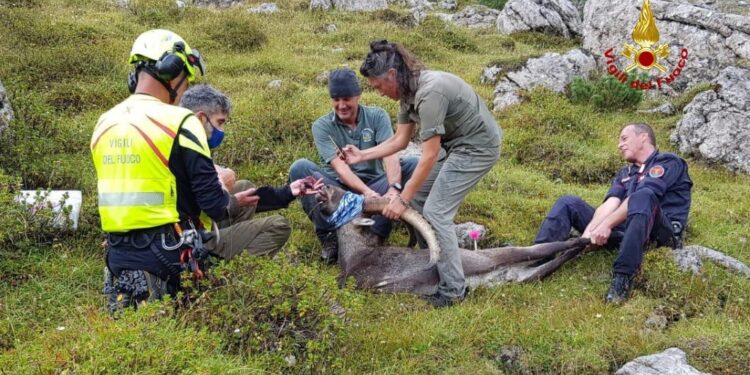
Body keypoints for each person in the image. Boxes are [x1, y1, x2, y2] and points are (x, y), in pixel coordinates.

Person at [91, 30, 316, 310]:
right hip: (170, 252)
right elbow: (215, 206)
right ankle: (216, 293)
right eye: (186, 82)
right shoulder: (181, 120)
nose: (184, 91)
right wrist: (227, 198)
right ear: (173, 71)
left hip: (117, 255)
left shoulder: (104, 122)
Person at [341, 40, 503, 307]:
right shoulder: (406, 93)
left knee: (437, 212)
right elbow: (400, 141)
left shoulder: (430, 93)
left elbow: (428, 156)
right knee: (419, 201)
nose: (378, 92)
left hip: (477, 148)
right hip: (453, 145)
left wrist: (401, 198)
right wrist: (362, 155)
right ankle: (431, 262)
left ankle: (453, 290)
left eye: (378, 85)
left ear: (392, 75)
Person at [534, 123, 692, 303]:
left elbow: (640, 198)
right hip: (624, 231)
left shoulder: (668, 162)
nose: (619, 145)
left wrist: (607, 225)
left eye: (624, 139)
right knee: (568, 202)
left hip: (659, 235)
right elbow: (611, 203)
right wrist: (587, 237)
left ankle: (622, 279)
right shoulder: (626, 172)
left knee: (643, 195)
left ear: (643, 137)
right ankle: (537, 257)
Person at [289, 69, 419, 264]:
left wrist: (393, 188)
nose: (341, 105)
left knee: (413, 164)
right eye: (336, 99)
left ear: (358, 96)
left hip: (376, 183)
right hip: (339, 190)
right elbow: (341, 168)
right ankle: (329, 236)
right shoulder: (321, 126)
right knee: (300, 168)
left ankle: (377, 232)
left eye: (347, 99)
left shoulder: (377, 116)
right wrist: (366, 193)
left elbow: (390, 154)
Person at [179, 84, 322, 260]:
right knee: (278, 225)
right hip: (189, 237)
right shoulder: (192, 149)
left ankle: (231, 245)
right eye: (219, 122)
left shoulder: (176, 139)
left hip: (194, 223)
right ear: (200, 118)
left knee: (244, 186)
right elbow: (216, 206)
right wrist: (230, 194)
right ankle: (224, 268)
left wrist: (287, 193)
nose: (221, 131)